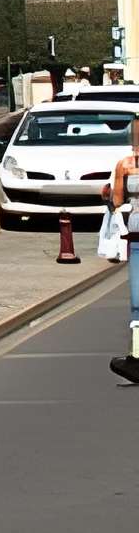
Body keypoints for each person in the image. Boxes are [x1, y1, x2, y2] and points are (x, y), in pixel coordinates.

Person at [108, 130, 139, 386]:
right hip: (137, 239)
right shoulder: (125, 165)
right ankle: (137, 357)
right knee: (138, 300)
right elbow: (117, 199)